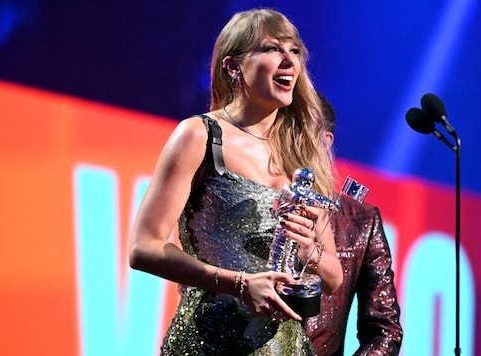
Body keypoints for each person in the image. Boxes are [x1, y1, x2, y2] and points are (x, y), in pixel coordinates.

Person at [128, 8, 343, 355]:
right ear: (233, 66)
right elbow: (144, 248)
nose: (289, 60)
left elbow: (333, 277)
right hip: (209, 342)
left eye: (294, 51)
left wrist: (311, 252)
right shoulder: (199, 135)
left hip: (284, 348)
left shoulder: (302, 151)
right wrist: (241, 285)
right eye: (273, 49)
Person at [305, 93, 403, 355]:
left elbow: (385, 330)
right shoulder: (249, 201)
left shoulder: (359, 221)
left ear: (325, 141)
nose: (286, 140)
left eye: (298, 129)